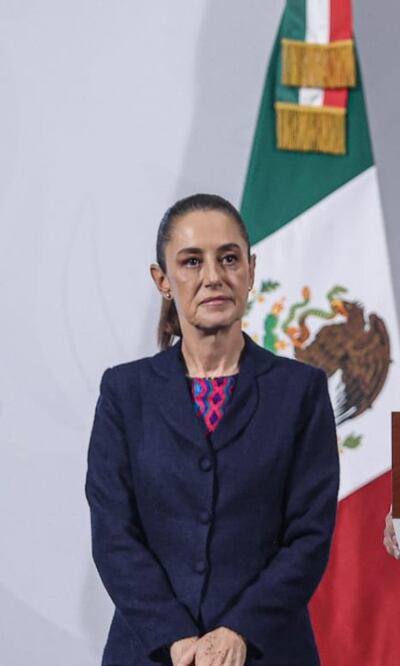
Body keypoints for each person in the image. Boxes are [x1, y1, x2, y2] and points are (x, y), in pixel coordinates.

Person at [86, 194, 339, 666]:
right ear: (162, 281)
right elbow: (113, 534)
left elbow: (310, 534)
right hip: (150, 653)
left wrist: (240, 631)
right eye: (191, 262)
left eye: (228, 258)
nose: (213, 277)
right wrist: (177, 638)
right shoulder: (125, 392)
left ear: (250, 269)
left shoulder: (300, 390)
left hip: (269, 650)